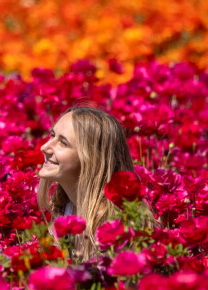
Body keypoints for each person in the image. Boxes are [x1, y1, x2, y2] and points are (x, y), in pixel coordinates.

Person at [37, 105, 149, 261]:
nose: (44, 147)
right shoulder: (62, 210)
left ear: (91, 159)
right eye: (52, 135)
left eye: (63, 142)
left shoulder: (115, 228)